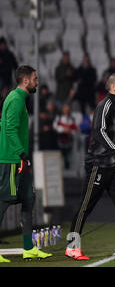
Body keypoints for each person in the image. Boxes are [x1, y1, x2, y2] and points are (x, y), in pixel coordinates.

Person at [65, 73, 115, 261]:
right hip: (98, 165)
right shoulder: (104, 105)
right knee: (85, 206)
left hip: (111, 166)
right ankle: (71, 248)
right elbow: (99, 133)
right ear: (114, 87)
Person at [0, 65, 52, 262]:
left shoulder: (18, 99)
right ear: (26, 81)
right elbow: (10, 129)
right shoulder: (15, 99)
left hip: (19, 159)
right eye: (35, 78)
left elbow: (2, 124)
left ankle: (29, 248)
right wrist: (21, 154)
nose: (37, 82)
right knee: (3, 202)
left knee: (29, 200)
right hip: (12, 160)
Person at [53, 103, 78, 169]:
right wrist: (63, 130)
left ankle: (67, 168)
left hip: (69, 141)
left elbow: (75, 129)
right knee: (60, 156)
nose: (66, 110)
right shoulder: (59, 117)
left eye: (68, 109)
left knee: (68, 157)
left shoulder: (72, 118)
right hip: (60, 140)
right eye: (65, 109)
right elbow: (55, 126)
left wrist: (70, 131)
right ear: (63, 109)